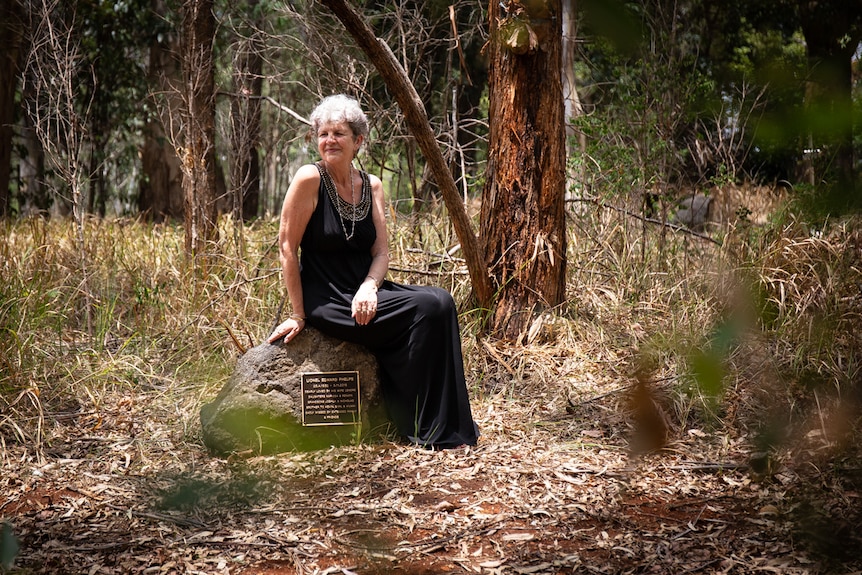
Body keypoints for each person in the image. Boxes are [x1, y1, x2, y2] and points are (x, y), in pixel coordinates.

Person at [267, 94, 479, 450]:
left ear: (358, 141)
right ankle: (421, 427)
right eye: (323, 133)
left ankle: (441, 424)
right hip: (329, 297)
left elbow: (380, 251)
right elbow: (287, 247)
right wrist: (298, 314)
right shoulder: (310, 178)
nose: (329, 140)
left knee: (440, 301)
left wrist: (369, 286)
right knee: (425, 309)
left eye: (339, 133)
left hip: (363, 291)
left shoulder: (372, 185)